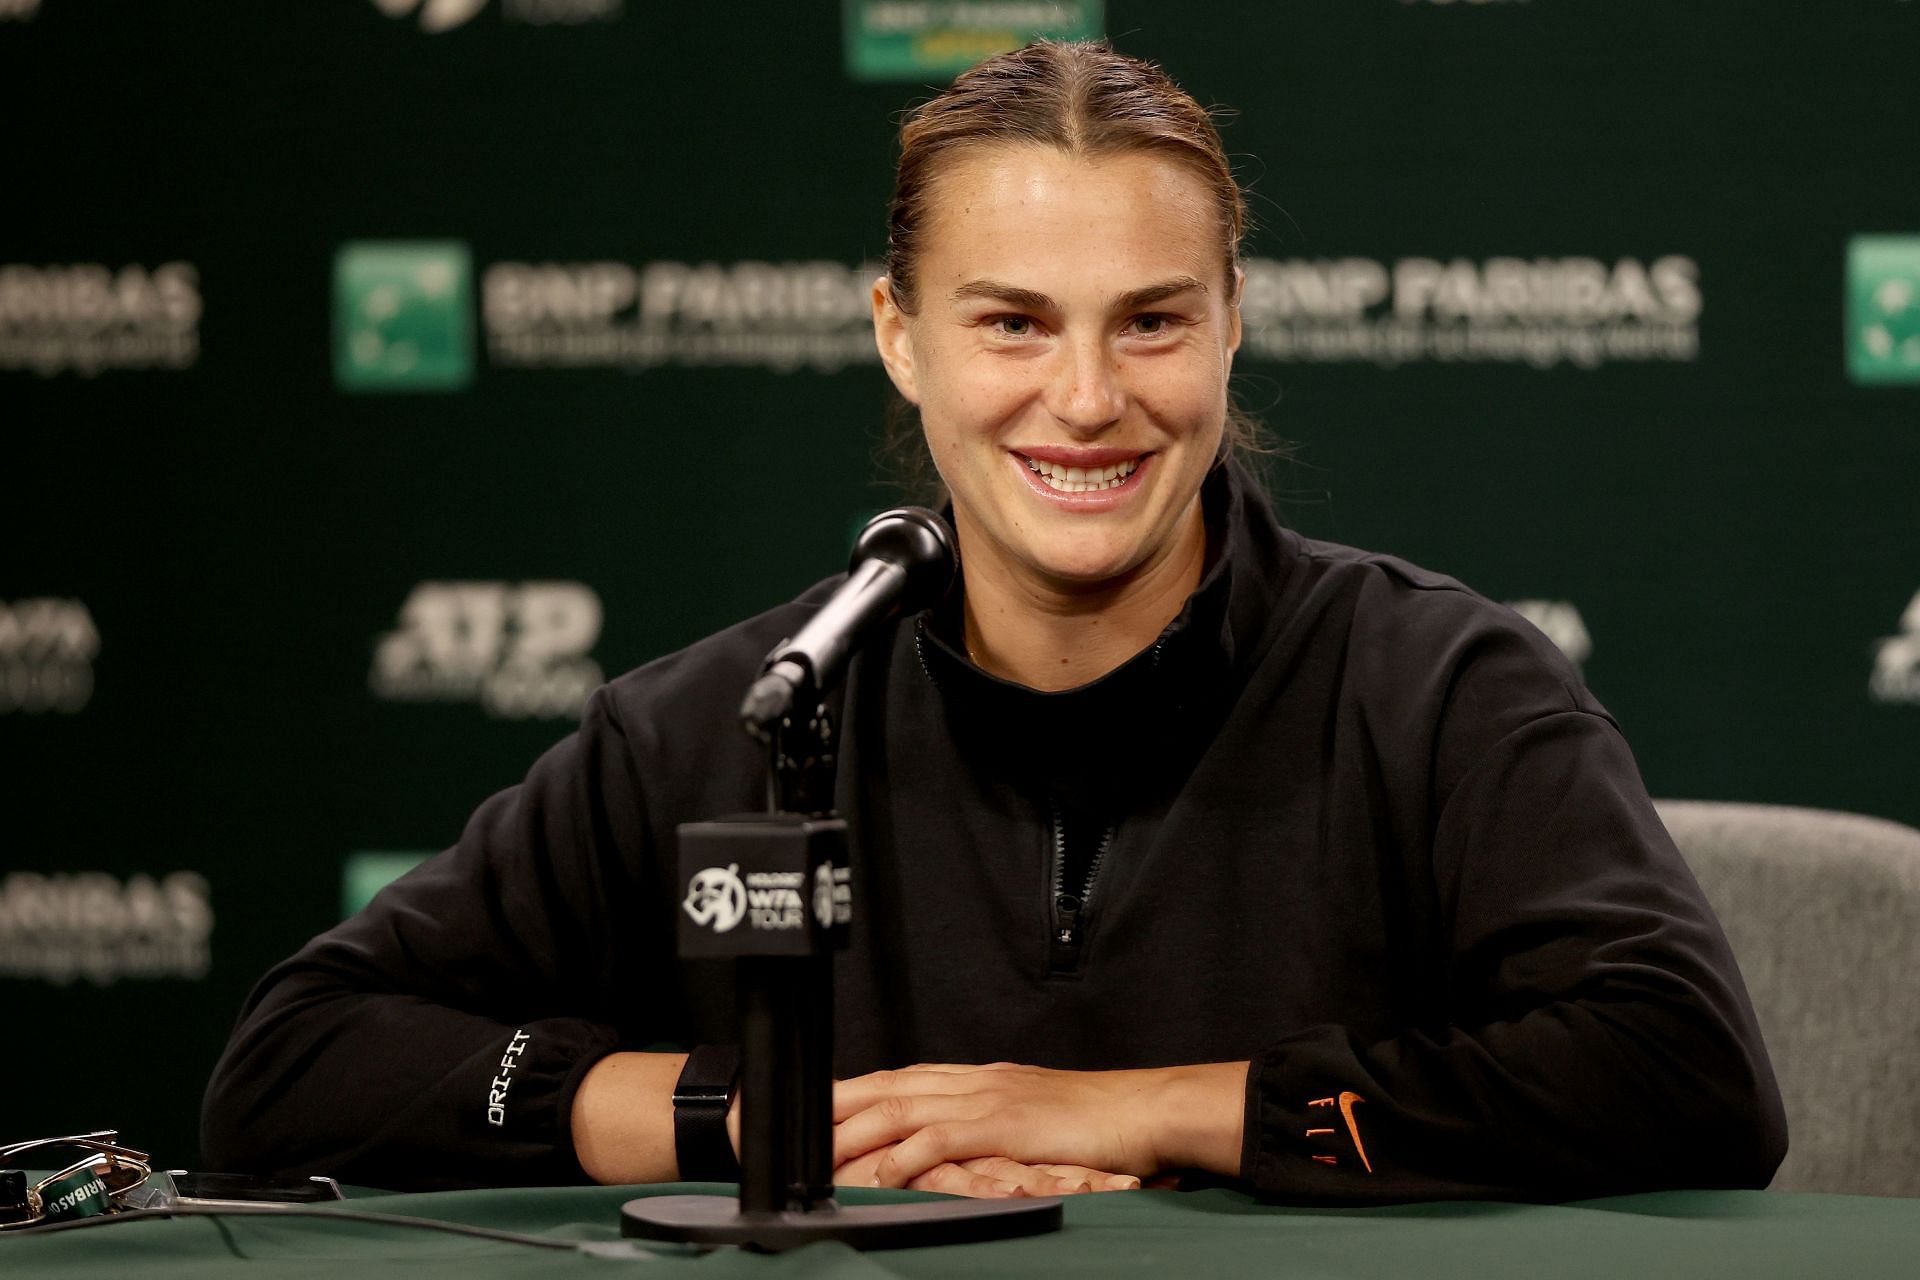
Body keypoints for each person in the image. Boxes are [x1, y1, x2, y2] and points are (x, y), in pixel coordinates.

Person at [203, 40, 1786, 1203]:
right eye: (1013, 323)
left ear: (1233, 325)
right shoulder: (735, 714)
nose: (1087, 401)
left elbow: (1683, 1076)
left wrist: (1132, 1113)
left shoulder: (1438, 684)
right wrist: (756, 1118)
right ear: (901, 338)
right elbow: (292, 1071)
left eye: (1152, 322)